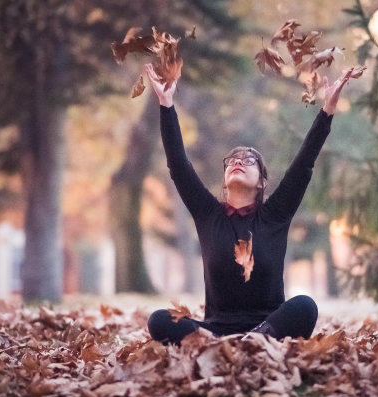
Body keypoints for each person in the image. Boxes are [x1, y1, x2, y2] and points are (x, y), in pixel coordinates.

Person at [145, 63, 360, 345]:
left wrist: (327, 111)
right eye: (232, 161)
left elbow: (304, 164)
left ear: (261, 181)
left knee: (305, 306)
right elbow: (178, 165)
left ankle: (251, 342)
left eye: (248, 161)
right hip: (214, 333)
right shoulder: (208, 214)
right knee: (159, 319)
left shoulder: (275, 215)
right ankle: (228, 346)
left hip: (268, 328)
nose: (237, 162)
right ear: (224, 179)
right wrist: (166, 104)